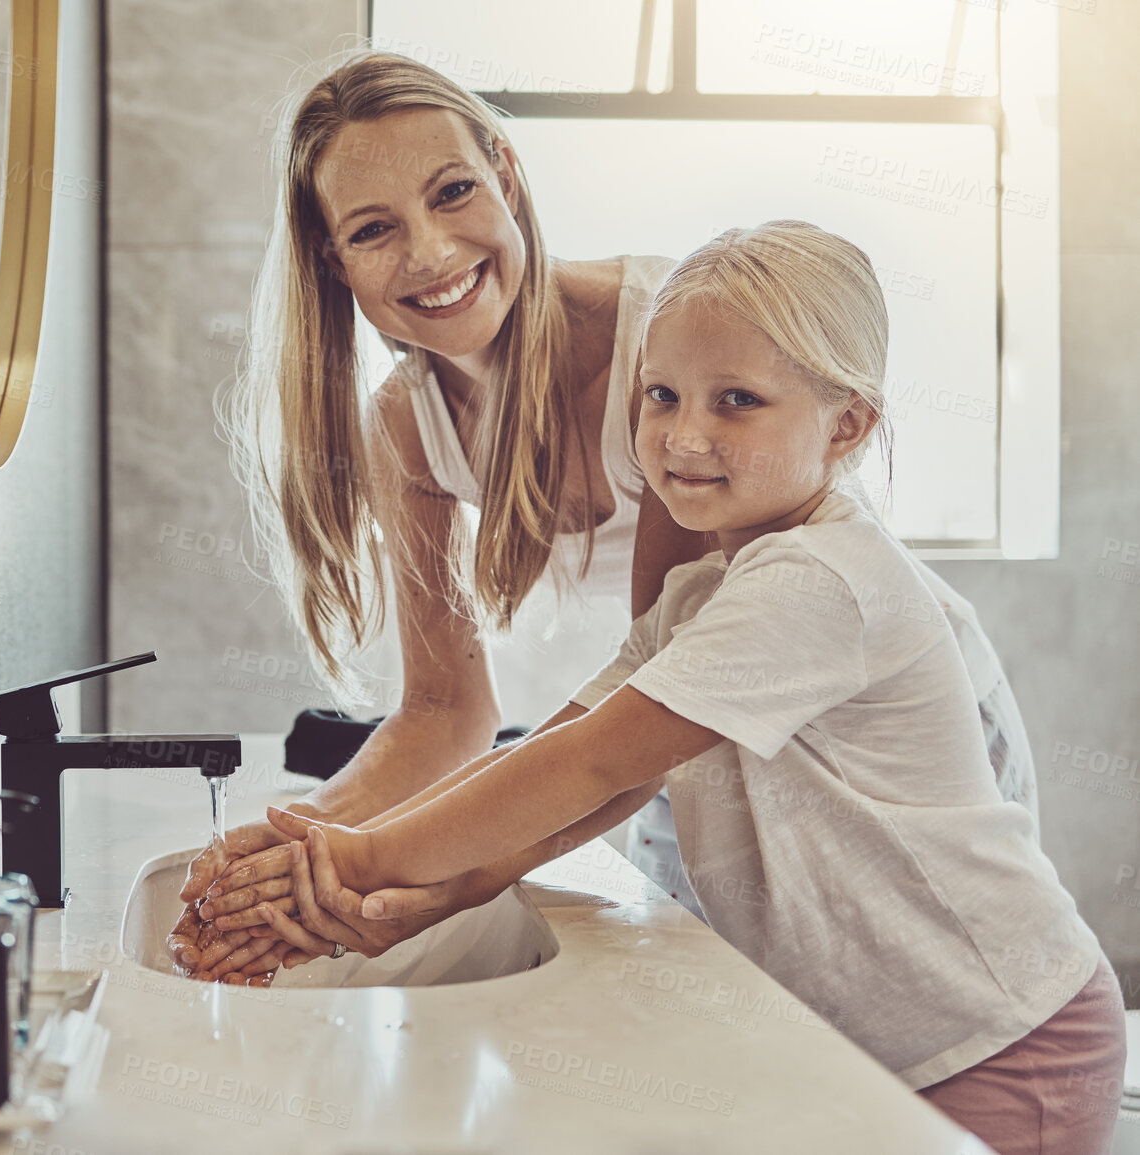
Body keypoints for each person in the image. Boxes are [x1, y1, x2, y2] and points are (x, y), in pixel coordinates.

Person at [238, 221, 1126, 1155]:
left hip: (1002, 1041)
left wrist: (356, 861)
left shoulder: (818, 578)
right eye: (659, 395)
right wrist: (443, 881)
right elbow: (583, 753)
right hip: (892, 1044)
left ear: (848, 424)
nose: (684, 435)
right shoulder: (705, 589)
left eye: (737, 401)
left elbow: (591, 761)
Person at [177, 50, 1038, 981]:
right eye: (374, 228)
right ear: (329, 258)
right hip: (697, 743)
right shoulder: (407, 427)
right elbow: (442, 711)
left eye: (454, 191)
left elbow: (646, 700)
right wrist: (283, 856)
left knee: (945, 1001)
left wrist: (369, 864)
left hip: (869, 732)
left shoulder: (660, 359)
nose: (428, 252)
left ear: (507, 175)